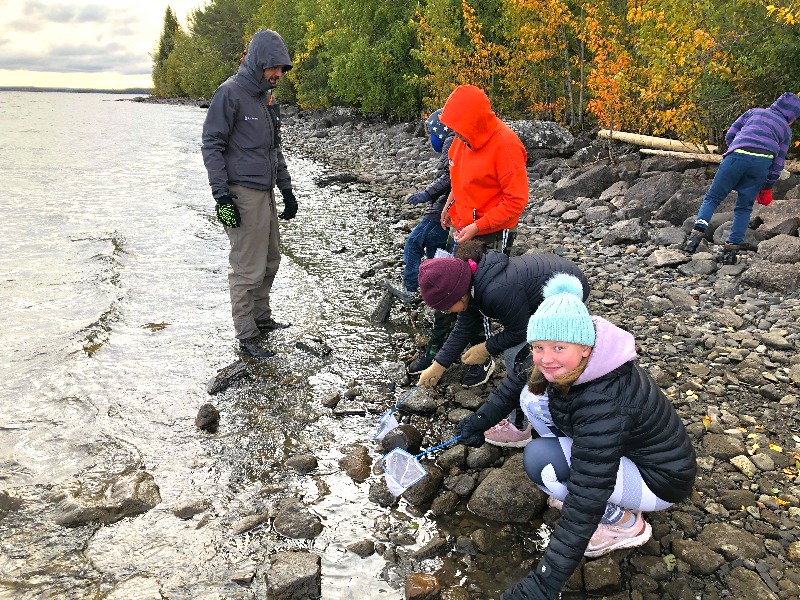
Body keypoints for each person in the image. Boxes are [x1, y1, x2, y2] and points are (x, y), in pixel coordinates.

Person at [455, 273, 697, 600]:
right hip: (626, 454)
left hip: (660, 479)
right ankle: (588, 477)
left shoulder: (605, 399)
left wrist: (545, 580)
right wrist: (478, 421)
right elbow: (514, 385)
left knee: (542, 462)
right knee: (532, 395)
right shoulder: (559, 360)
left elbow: (586, 493)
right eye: (539, 347)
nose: (546, 357)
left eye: (558, 348)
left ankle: (624, 523)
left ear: (584, 348)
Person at [409, 84, 529, 387]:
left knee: (481, 296)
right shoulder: (461, 142)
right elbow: (455, 177)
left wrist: (478, 227)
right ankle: (441, 349)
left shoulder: (506, 145)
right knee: (450, 288)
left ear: (474, 123)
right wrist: (448, 207)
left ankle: (484, 356)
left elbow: (516, 201)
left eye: (460, 130)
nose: (456, 136)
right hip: (461, 226)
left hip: (489, 231)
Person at [415, 240, 589, 427]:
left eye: (446, 308)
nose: (447, 313)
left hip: (569, 289)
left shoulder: (495, 292)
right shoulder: (471, 280)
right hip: (537, 293)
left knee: (516, 356)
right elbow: (463, 329)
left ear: (457, 294)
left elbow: (520, 331)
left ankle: (520, 425)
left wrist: (485, 348)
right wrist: (438, 365)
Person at [201, 29, 298, 358]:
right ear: (259, 62)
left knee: (271, 259)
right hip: (239, 194)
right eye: (275, 68)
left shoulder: (268, 99)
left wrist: (286, 189)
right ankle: (246, 335)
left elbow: (275, 149)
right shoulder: (229, 94)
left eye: (282, 69)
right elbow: (211, 146)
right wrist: (222, 199)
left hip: (265, 191)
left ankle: (261, 318)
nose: (279, 74)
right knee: (247, 268)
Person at [684, 92, 800, 265]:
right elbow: (778, 163)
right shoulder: (785, 129)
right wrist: (767, 187)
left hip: (736, 157)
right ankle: (731, 252)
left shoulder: (754, 112)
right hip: (761, 164)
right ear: (792, 115)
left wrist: (736, 149)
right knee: (744, 208)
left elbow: (730, 134)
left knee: (713, 198)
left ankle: (694, 239)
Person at [385, 108, 454, 304]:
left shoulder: (450, 141)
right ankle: (436, 293)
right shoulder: (457, 140)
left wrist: (427, 194)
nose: (431, 138)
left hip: (441, 210)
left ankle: (411, 289)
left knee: (414, 243)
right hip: (449, 210)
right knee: (436, 251)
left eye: (432, 133)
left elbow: (449, 177)